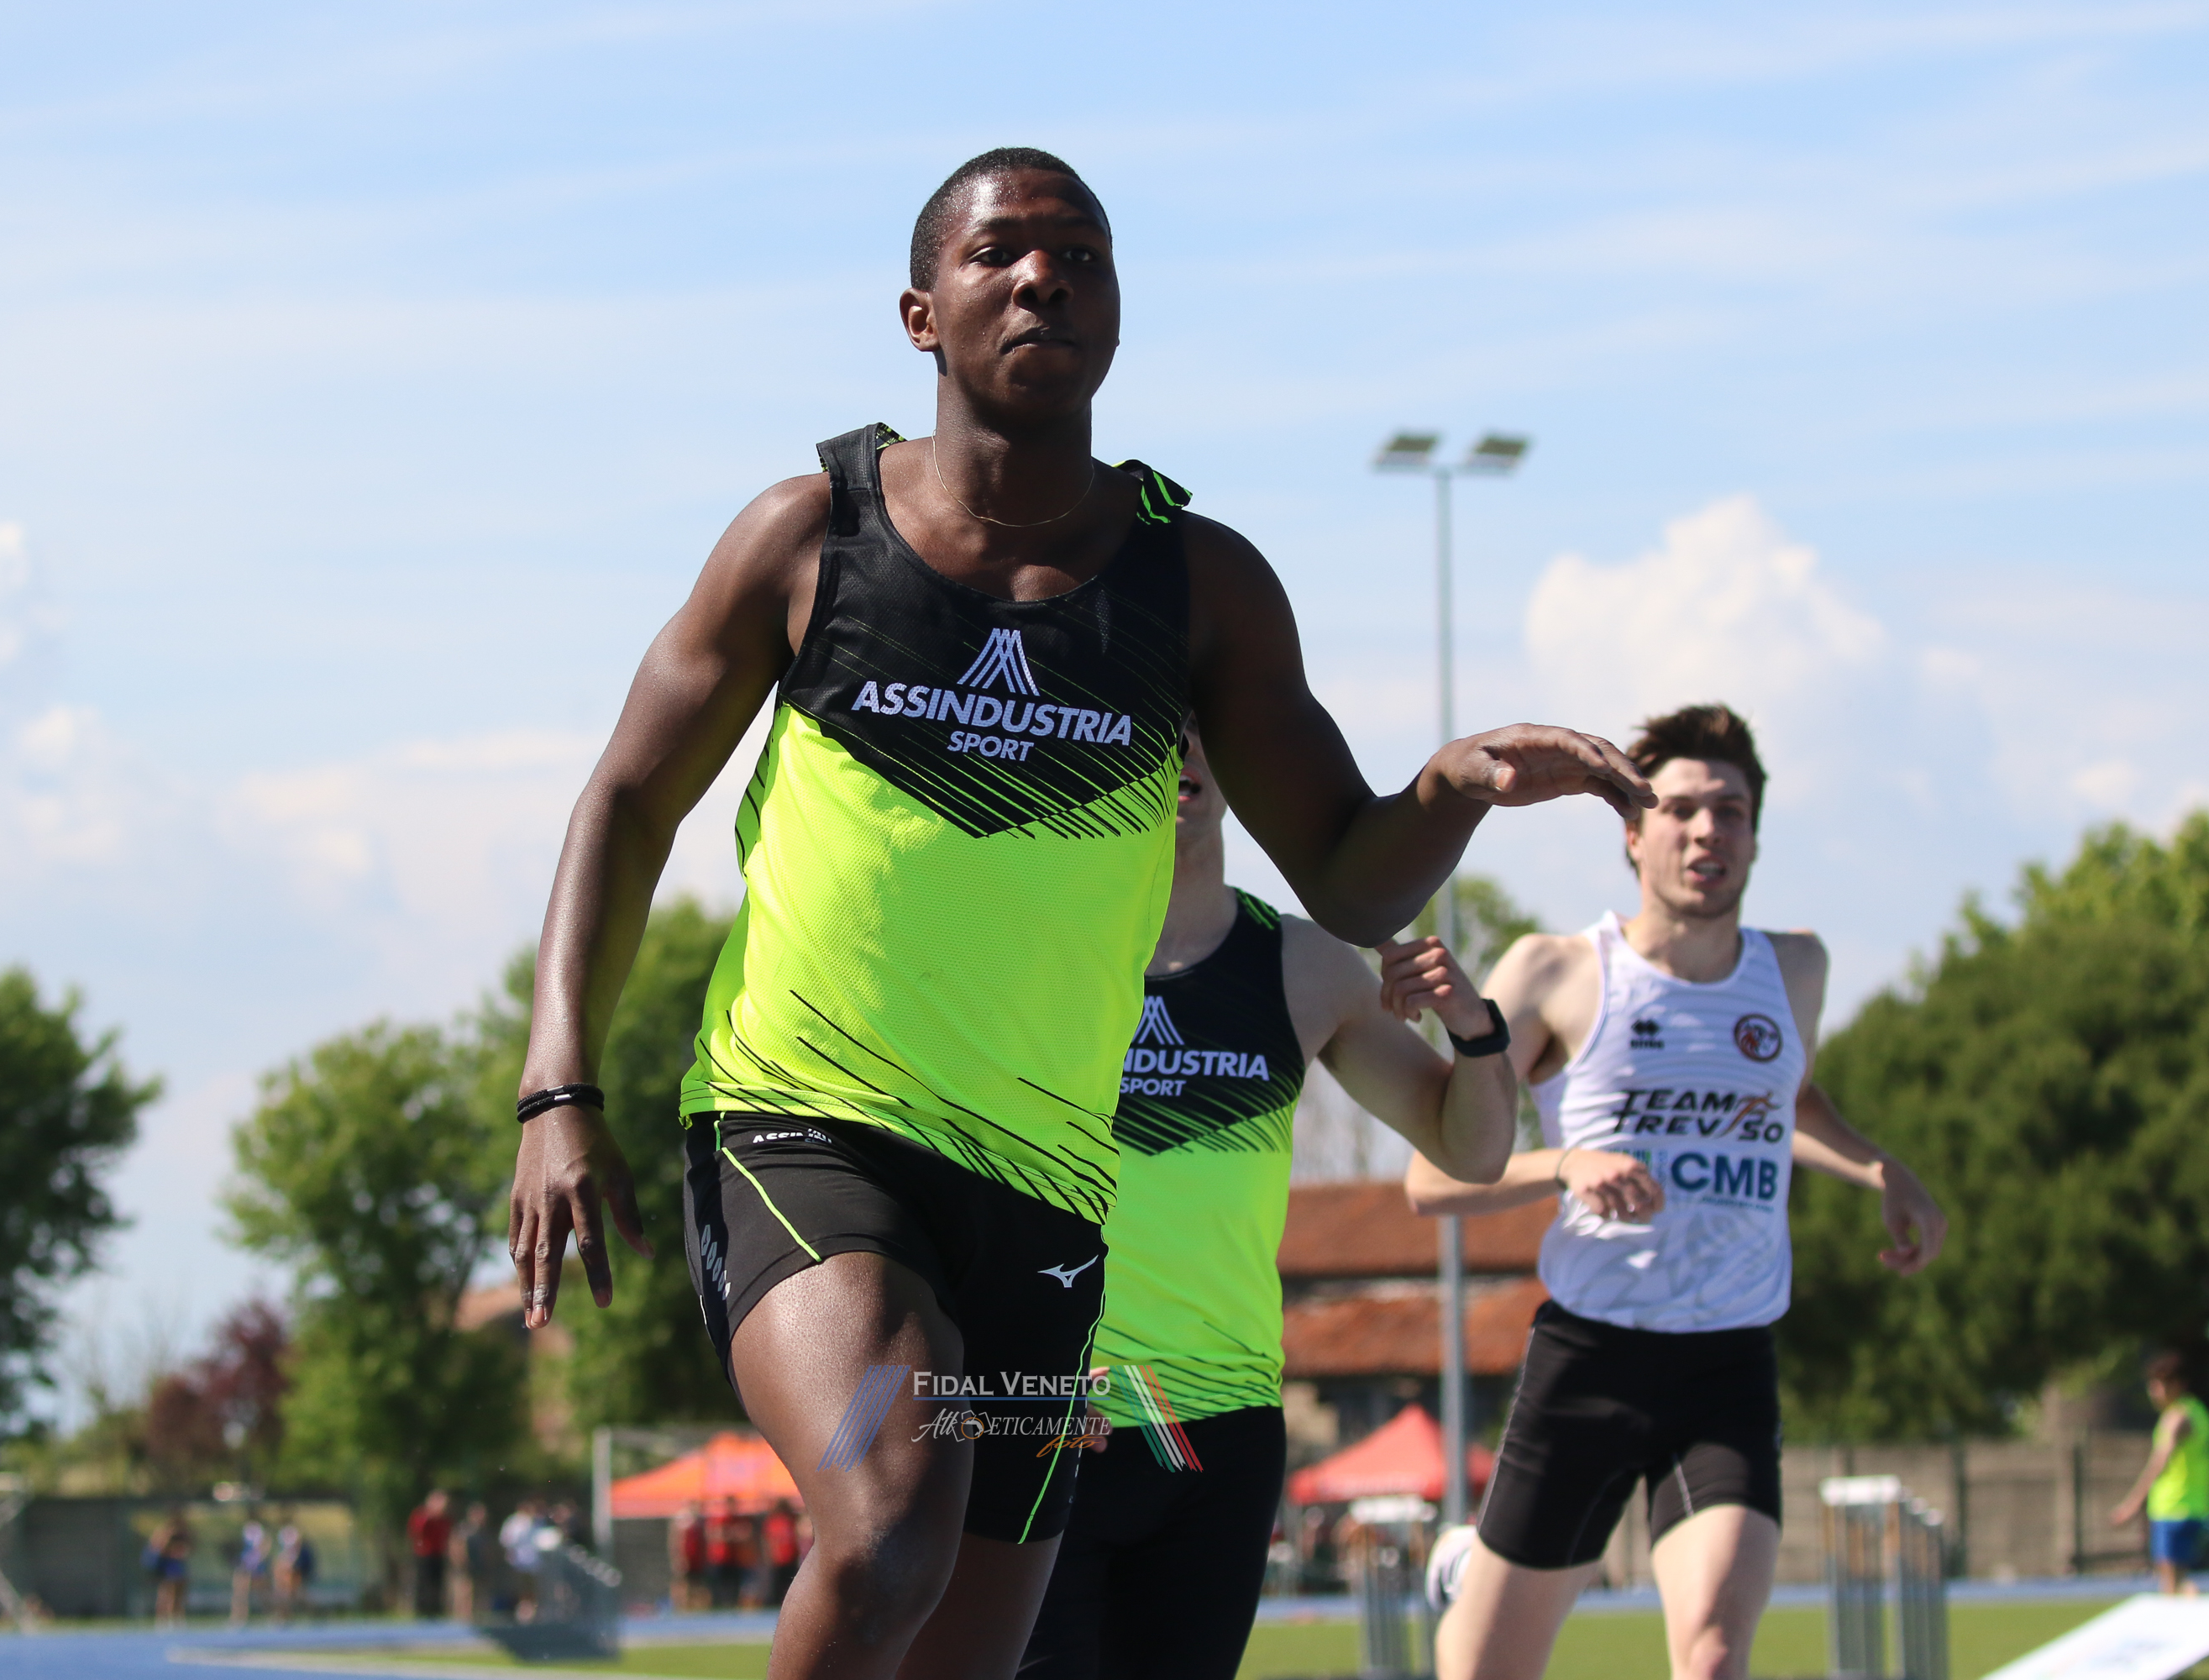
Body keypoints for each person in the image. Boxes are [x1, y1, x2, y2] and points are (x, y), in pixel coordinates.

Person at [502, 142, 1650, 1680]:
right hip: (807, 1132)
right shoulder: (808, 537)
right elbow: (628, 803)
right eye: (1001, 254)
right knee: (888, 1522)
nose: (1045, 276)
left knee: (972, 1649)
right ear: (921, 314)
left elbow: (1348, 875)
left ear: (1118, 311)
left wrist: (1451, 785)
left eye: (1082, 256)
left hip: (1045, 1195)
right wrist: (559, 1087)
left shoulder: (1200, 583)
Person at [1404, 703, 1949, 1680]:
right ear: (1633, 832)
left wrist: (1882, 1167)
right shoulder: (1556, 970)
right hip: (1590, 1357)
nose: (1707, 831)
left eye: (1730, 811)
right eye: (1683, 809)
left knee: (1713, 1655)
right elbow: (1432, 1177)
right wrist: (1565, 1164)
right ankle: (1470, 1573)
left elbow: (1783, 1100)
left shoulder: (1796, 969)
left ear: (1755, 836)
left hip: (1727, 1359)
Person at [1021, 719, 1519, 1679]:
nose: (1182, 753)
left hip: (1225, 1431)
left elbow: (1473, 1148)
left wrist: (1474, 1029)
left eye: (1202, 732)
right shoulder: (1030, 951)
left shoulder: (1307, 965)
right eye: (1154, 728)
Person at [2110, 1351, 2209, 1595]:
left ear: (2179, 1385)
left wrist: (2132, 1505)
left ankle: (2193, 1606)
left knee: (2172, 1586)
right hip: (2198, 1509)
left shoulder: (2176, 1418)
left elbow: (2159, 1463)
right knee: (2179, 1580)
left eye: (2161, 1385)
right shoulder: (2199, 1413)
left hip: (2172, 1508)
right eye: (2153, 1385)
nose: (2155, 1392)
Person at [408, 1488, 453, 1619]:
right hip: (424, 1554)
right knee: (424, 1584)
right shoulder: (422, 1515)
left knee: (437, 1583)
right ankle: (422, 1611)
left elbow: (446, 1534)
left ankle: (435, 1610)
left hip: (438, 1554)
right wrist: (430, 1516)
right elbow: (417, 1531)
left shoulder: (444, 1519)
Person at [146, 1508, 193, 1626]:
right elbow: (156, 1548)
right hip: (167, 1565)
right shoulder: (164, 1531)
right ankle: (162, 1618)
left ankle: (177, 1617)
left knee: (179, 1592)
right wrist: (168, 1540)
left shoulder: (184, 1532)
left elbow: (190, 1547)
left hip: (178, 1564)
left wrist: (183, 1549)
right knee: (166, 1592)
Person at [450, 1501, 492, 1622]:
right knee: (465, 1591)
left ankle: (477, 1616)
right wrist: (460, 1561)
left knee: (480, 1592)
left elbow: (486, 1549)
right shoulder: (464, 1529)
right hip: (465, 1566)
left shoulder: (482, 1531)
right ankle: (462, 1617)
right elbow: (456, 1545)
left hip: (479, 1566)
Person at [272, 1515, 315, 1624]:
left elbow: (297, 1550)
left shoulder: (294, 1533)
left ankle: (312, 1612)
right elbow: (283, 1552)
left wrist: (290, 1564)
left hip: (294, 1566)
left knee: (293, 1593)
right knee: (283, 1591)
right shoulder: (282, 1533)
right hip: (285, 1565)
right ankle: (284, 1615)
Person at [230, 1514, 271, 1625]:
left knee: (263, 1594)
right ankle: (238, 1618)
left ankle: (273, 1617)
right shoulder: (246, 1528)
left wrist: (255, 1562)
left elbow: (264, 1547)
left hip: (257, 1566)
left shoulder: (260, 1529)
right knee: (240, 1592)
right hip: (244, 1565)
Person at [763, 1500, 802, 1606]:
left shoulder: (791, 1521)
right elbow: (769, 1540)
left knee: (789, 1582)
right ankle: (776, 1600)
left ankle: (787, 1601)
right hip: (779, 1558)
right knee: (778, 1582)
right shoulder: (774, 1521)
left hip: (790, 1557)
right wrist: (770, 1555)